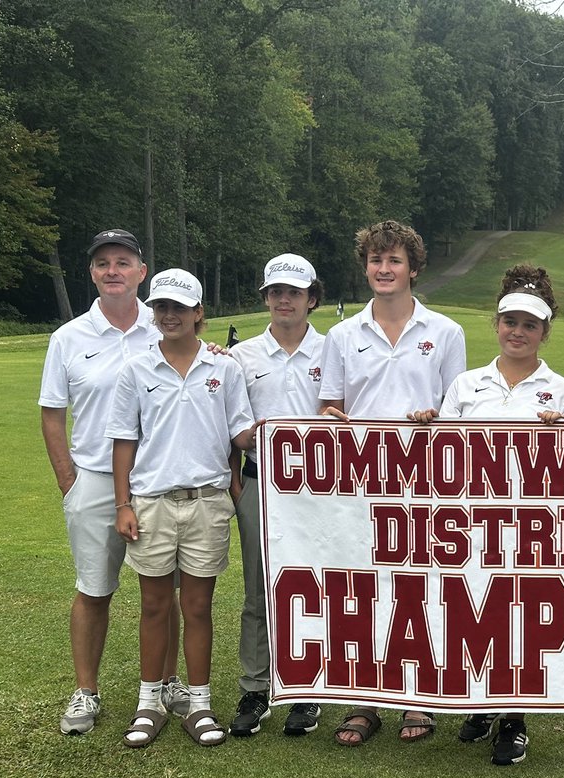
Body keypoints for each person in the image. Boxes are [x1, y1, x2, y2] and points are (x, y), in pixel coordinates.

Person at [409, 265, 564, 765]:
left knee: (520, 618)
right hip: (471, 527)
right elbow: (443, 459)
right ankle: (484, 702)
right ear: (497, 323)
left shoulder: (563, 392)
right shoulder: (466, 385)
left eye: (530, 325)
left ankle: (513, 718)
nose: (518, 332)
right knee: (474, 613)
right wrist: (427, 424)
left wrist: (562, 433)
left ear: (545, 332)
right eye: (510, 322)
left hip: (531, 529)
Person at [319, 220, 466, 746]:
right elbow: (329, 406)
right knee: (363, 588)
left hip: (425, 482)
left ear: (413, 268)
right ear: (366, 267)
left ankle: (416, 698)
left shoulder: (445, 332)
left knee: (418, 588)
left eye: (394, 260)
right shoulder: (342, 335)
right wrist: (332, 419)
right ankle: (364, 700)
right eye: (376, 260)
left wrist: (436, 419)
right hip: (361, 481)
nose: (384, 269)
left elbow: (458, 410)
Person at [40, 229, 189, 735]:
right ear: (92, 273)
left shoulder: (165, 323)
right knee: (93, 589)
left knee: (163, 590)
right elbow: (53, 413)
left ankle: (168, 682)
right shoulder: (69, 337)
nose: (112, 271)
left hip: (156, 478)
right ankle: (86, 690)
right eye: (103, 263)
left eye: (123, 262)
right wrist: (68, 479)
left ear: (141, 272)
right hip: (95, 479)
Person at [107, 269, 256, 748]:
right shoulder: (136, 369)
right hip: (151, 502)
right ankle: (149, 703)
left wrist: (283, 428)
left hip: (207, 503)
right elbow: (124, 441)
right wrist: (123, 503)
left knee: (197, 607)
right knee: (154, 606)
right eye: (161, 307)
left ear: (198, 313)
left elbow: (240, 433)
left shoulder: (224, 368)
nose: (169, 315)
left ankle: (199, 704)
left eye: (179, 307)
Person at [226, 254, 327, 738]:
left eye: (294, 292)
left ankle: (308, 689)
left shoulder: (333, 351)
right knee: (258, 589)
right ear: (266, 297)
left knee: (315, 585)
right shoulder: (240, 356)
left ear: (311, 298)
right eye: (276, 292)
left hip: (321, 490)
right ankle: (256, 687)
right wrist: (240, 466)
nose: (284, 300)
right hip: (259, 482)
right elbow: (230, 428)